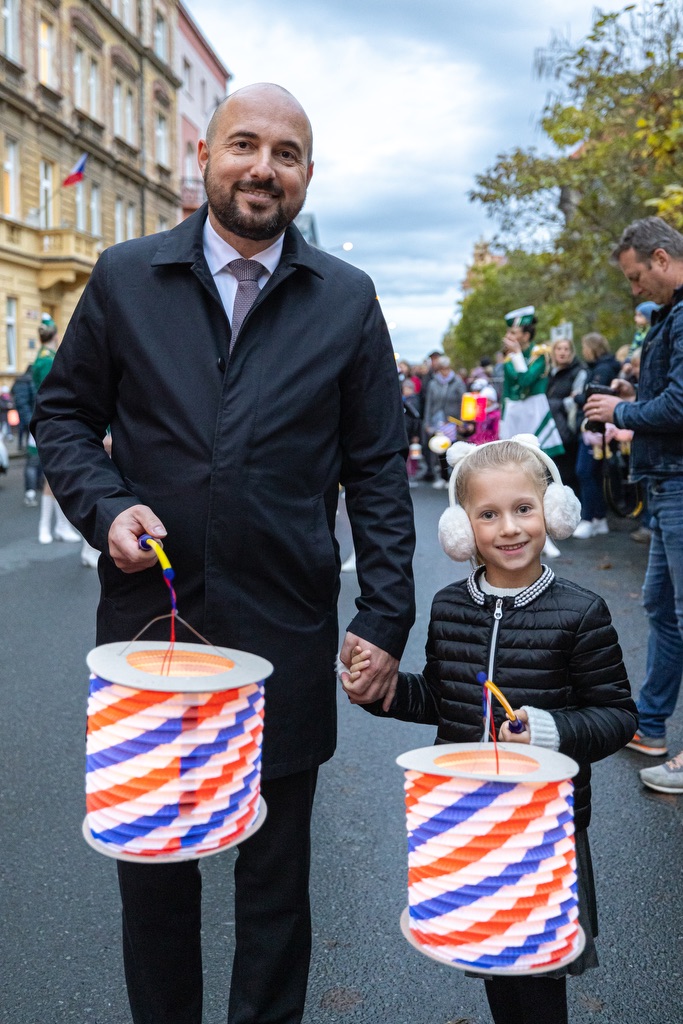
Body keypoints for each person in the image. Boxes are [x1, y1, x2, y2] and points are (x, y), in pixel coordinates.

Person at [32, 83, 416, 1024]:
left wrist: (384, 615)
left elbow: (375, 469)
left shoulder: (346, 300)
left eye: (286, 155)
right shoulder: (126, 277)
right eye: (245, 145)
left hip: (283, 629)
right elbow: (66, 415)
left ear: (307, 177)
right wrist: (106, 505)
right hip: (150, 632)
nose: (262, 169)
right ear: (202, 155)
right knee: (155, 872)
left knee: (275, 882)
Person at [342, 438, 636, 1024]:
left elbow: (618, 716)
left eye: (524, 509)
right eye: (488, 514)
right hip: (470, 819)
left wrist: (548, 732)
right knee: (494, 960)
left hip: (544, 827)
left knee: (541, 973)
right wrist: (385, 692)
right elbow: (441, 696)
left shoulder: (581, 612)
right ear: (461, 529)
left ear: (553, 512)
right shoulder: (450, 607)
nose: (509, 528)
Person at [584, 216, 683, 794]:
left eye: (636, 275)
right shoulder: (671, 315)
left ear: (662, 259)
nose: (634, 288)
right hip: (667, 480)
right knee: (663, 608)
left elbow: (678, 408)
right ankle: (649, 726)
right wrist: (632, 394)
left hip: (677, 480)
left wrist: (620, 413)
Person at [32, 317, 81, 544]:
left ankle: (58, 527)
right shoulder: (47, 361)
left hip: (46, 423)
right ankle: (49, 527)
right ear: (55, 336)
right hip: (50, 425)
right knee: (53, 477)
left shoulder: (45, 358)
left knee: (55, 477)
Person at [571, 333, 621, 539]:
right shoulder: (603, 367)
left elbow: (595, 396)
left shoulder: (602, 369)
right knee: (593, 473)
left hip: (597, 429)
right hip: (596, 429)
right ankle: (599, 518)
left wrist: (579, 397)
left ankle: (589, 518)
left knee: (585, 472)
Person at [546, 337, 586, 494]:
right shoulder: (549, 373)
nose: (562, 352)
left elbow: (576, 399)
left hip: (568, 431)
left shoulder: (578, 372)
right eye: (559, 349)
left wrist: (554, 404)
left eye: (566, 349)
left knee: (568, 476)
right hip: (550, 429)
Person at [423, 355, 465, 488]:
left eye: (446, 368)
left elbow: (463, 401)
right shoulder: (433, 383)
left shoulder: (457, 382)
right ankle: (443, 477)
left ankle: (454, 478)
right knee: (440, 449)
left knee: (453, 449)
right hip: (438, 420)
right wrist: (427, 422)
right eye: (442, 368)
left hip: (453, 421)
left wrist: (462, 421)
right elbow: (429, 404)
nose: (445, 371)